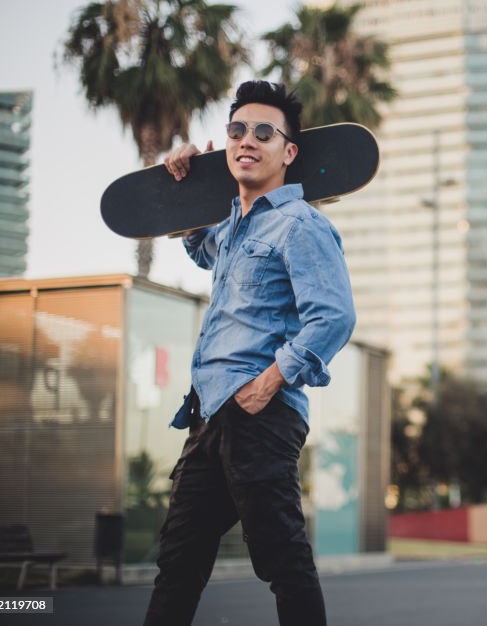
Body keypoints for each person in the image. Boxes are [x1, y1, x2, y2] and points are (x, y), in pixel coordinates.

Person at [143, 81, 355, 626]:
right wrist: (191, 178)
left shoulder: (301, 224)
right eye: (237, 130)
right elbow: (196, 244)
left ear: (288, 153)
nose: (247, 140)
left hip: (259, 415)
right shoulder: (233, 228)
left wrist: (268, 383)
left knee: (283, 563)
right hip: (209, 414)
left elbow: (333, 316)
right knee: (178, 564)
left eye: (265, 132)